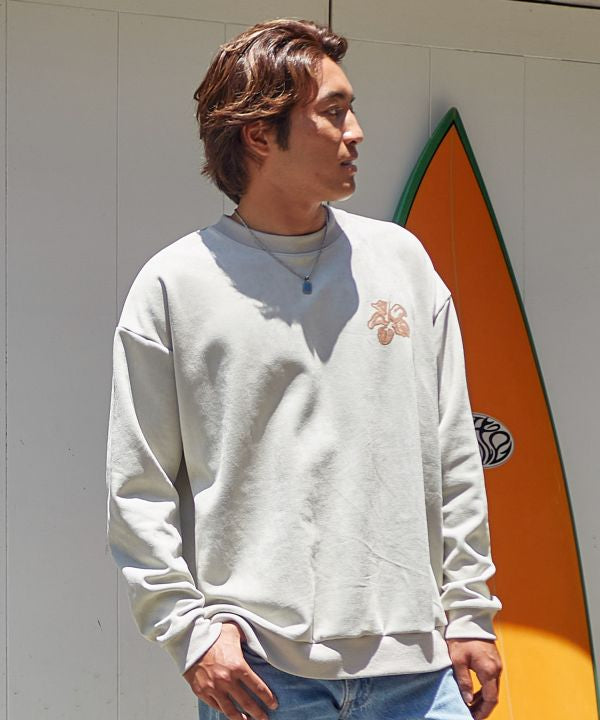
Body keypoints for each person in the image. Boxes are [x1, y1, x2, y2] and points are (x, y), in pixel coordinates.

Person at [106, 18, 502, 720]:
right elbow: (139, 486)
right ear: (261, 135)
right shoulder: (175, 284)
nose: (357, 132)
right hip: (262, 680)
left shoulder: (403, 262)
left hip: (421, 673)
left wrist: (470, 609)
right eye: (334, 111)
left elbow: (453, 452)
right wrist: (189, 634)